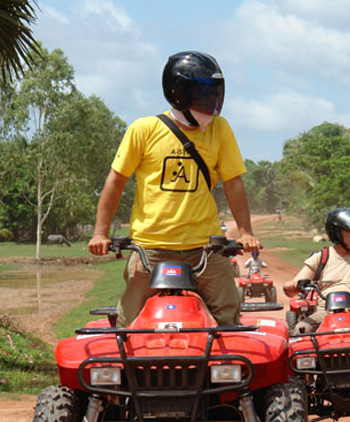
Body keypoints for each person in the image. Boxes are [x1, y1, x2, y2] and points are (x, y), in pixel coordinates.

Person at [88, 51, 259, 327]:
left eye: (213, 92)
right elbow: (115, 182)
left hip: (205, 248)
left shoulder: (220, 129)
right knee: (129, 324)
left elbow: (233, 182)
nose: (211, 101)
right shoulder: (143, 129)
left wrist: (246, 232)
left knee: (229, 315)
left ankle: (223, 370)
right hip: (150, 248)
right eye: (202, 93)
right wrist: (99, 233)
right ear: (177, 93)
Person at [283, 208, 350, 333]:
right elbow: (295, 285)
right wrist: (291, 285)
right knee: (299, 331)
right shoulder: (321, 257)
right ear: (336, 232)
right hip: (325, 312)